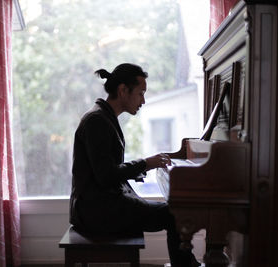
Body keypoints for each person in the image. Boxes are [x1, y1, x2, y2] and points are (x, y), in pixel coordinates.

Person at [69, 63, 199, 267]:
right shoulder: (97, 121)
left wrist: (141, 168)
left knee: (172, 210)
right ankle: (185, 265)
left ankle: (185, 264)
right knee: (174, 213)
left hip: (99, 205)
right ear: (122, 90)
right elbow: (106, 176)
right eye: (140, 93)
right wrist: (146, 163)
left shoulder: (104, 117)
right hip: (95, 212)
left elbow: (106, 171)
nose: (143, 100)